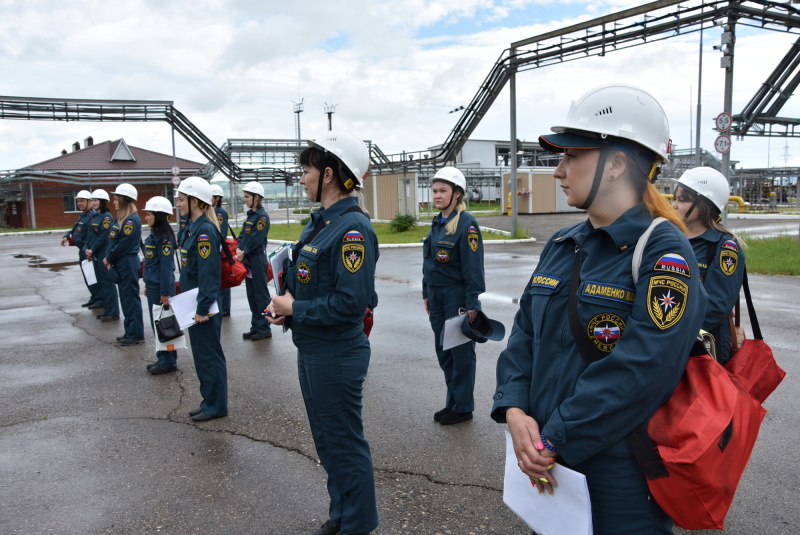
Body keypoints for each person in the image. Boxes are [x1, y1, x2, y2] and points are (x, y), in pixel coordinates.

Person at [491, 84, 707, 535]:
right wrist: (513, 410)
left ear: (615, 164)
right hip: (549, 460)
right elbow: (525, 334)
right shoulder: (563, 242)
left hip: (617, 472)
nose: (558, 171)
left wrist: (555, 437)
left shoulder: (664, 250)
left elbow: (642, 368)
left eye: (572, 156)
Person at [265, 130, 379, 535]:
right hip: (313, 349)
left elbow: (352, 304)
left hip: (336, 354)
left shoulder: (351, 231)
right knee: (329, 442)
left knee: (345, 445)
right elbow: (316, 285)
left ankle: (358, 525)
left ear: (328, 174)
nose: (302, 178)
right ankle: (342, 515)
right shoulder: (322, 225)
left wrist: (295, 307)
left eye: (306, 170)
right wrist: (287, 311)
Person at [422, 166, 485, 425]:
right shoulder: (437, 223)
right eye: (435, 190)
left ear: (456, 194)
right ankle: (453, 402)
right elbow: (429, 263)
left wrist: (472, 303)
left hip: (456, 298)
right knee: (444, 352)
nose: (437, 195)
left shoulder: (467, 224)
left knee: (460, 354)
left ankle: (463, 407)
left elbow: (473, 267)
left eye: (443, 191)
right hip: (436, 298)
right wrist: (426, 293)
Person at [672, 167, 745, 365]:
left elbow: (717, 304)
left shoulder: (725, 246)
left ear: (704, 203)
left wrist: (674, 332)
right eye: (675, 198)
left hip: (704, 346)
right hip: (668, 340)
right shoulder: (669, 239)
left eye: (683, 199)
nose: (674, 205)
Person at [175, 176, 228, 422]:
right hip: (194, 303)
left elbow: (209, 275)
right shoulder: (193, 227)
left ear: (195, 201)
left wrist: (203, 308)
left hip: (202, 306)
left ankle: (216, 406)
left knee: (209, 356)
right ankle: (208, 400)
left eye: (182, 199)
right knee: (201, 355)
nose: (178, 203)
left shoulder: (205, 231)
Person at [141, 196, 179, 375]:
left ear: (159, 216)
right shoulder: (154, 236)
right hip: (155, 286)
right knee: (158, 324)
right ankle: (162, 357)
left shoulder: (164, 239)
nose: (146, 218)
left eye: (148, 214)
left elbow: (165, 269)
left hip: (162, 288)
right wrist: (149, 284)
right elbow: (151, 265)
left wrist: (165, 293)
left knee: (164, 325)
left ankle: (168, 362)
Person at [105, 184, 144, 346]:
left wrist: (109, 258)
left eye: (116, 199)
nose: (114, 202)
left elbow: (124, 244)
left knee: (130, 299)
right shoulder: (123, 219)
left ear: (124, 200)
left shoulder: (131, 221)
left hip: (126, 262)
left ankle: (135, 334)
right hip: (123, 262)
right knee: (126, 300)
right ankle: (130, 331)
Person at [236, 181, 272, 341]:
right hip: (248, 260)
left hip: (256, 258)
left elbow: (257, 239)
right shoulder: (251, 216)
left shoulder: (262, 217)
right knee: (252, 295)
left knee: (261, 295)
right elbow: (243, 235)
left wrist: (245, 252)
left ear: (256, 197)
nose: (245, 199)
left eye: (247, 197)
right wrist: (238, 247)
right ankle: (256, 326)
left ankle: (265, 327)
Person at [84, 189, 119, 321]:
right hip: (95, 253)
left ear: (103, 202)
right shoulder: (95, 216)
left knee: (107, 283)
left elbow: (104, 237)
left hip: (102, 252)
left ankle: (113, 311)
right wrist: (87, 248)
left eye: (96, 200)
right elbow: (90, 235)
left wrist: (92, 249)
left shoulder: (106, 217)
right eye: (92, 200)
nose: (93, 203)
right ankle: (107, 309)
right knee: (102, 283)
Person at [61, 189, 101, 308]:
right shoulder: (82, 216)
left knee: (93, 276)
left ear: (89, 202)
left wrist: (89, 249)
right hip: (82, 250)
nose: (79, 204)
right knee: (88, 276)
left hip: (88, 251)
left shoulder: (92, 216)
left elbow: (93, 235)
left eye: (82, 201)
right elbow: (74, 229)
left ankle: (100, 298)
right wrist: (67, 236)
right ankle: (94, 296)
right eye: (78, 201)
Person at [211, 184, 231, 317]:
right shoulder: (211, 211)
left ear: (217, 198)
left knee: (223, 280)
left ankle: (225, 308)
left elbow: (221, 232)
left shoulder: (220, 212)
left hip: (219, 250)